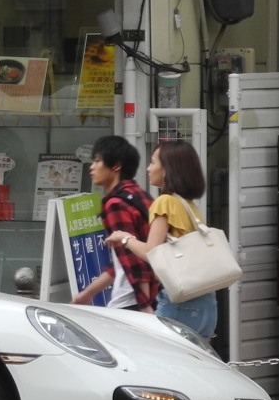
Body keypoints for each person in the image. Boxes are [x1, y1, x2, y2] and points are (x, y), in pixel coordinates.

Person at [107, 140, 217, 337]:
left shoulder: (164, 202)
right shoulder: (188, 205)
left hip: (179, 303)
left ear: (166, 169)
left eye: (152, 162)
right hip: (207, 304)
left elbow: (152, 252)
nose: (148, 169)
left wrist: (124, 238)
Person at [72, 136, 156, 312]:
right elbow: (120, 260)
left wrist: (145, 306)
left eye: (97, 161)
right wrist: (89, 293)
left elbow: (132, 260)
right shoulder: (141, 196)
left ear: (116, 166)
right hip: (153, 293)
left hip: (130, 301)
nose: (92, 167)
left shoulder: (115, 204)